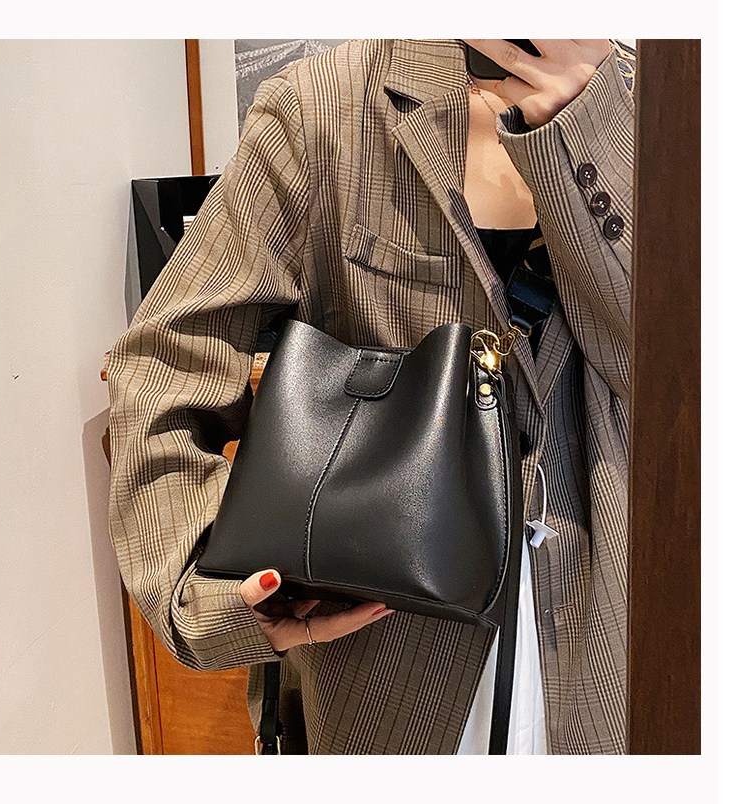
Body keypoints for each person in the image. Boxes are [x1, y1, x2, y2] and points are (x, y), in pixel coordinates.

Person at [104, 38, 637, 754]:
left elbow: (679, 369)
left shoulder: (668, 115)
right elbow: (167, 363)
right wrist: (215, 596)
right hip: (385, 651)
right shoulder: (325, 108)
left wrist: (594, 130)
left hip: (614, 634)